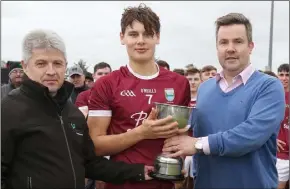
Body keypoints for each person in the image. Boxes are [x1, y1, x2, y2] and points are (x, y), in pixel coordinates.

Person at [1, 29, 154, 189]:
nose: (51, 71)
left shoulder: (72, 112)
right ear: (25, 66)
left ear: (65, 65)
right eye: (41, 63)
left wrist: (138, 171)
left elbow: (89, 163)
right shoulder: (9, 110)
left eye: (58, 63)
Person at [163, 13, 285, 188]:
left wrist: (197, 144)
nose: (230, 48)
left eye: (238, 41)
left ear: (250, 46)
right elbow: (193, 133)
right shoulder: (205, 89)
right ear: (217, 47)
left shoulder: (269, 87)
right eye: (224, 42)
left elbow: (250, 136)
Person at [87, 4, 190, 189]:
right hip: (122, 184)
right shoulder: (107, 83)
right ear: (122, 37)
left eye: (148, 34)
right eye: (133, 34)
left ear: (157, 37)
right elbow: (94, 145)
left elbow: (180, 136)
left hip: (163, 184)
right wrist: (141, 133)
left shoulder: (180, 83)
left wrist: (177, 163)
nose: (140, 41)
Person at [276, 63, 289, 189]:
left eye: (287, 75)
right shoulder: (273, 96)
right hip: (281, 154)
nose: (284, 78)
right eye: (281, 75)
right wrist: (271, 138)